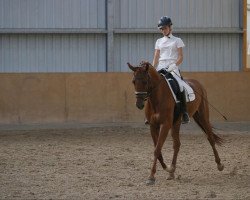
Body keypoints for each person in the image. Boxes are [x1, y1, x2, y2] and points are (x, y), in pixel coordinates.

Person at [152, 16, 190, 124]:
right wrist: (153, 68)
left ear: (170, 27)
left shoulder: (177, 40)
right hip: (160, 67)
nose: (163, 31)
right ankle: (150, 112)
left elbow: (181, 57)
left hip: (172, 67)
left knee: (181, 85)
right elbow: (156, 56)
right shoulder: (158, 41)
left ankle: (184, 112)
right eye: (161, 29)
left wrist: (174, 65)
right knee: (150, 85)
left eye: (165, 28)